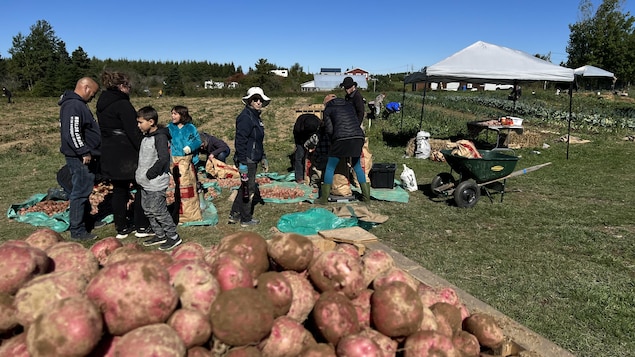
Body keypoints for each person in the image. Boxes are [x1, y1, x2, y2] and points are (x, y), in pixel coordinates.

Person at [97, 71, 152, 239]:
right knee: (141, 187)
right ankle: (141, 225)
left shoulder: (102, 104)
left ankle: (121, 227)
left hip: (109, 150)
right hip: (126, 152)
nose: (130, 89)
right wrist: (145, 148)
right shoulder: (122, 105)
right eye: (128, 86)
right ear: (121, 86)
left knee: (119, 190)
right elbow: (132, 131)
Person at [58, 77, 101, 240]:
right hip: (79, 157)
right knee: (80, 192)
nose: (93, 97)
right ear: (86, 88)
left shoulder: (76, 104)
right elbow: (72, 132)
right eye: (93, 93)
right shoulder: (74, 105)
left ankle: (87, 219)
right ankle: (77, 230)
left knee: (83, 188)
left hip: (80, 154)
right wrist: (84, 151)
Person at [134, 106, 181, 251]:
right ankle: (160, 234)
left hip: (155, 183)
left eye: (141, 122)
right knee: (148, 209)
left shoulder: (160, 137)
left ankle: (173, 237)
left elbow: (163, 159)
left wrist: (150, 174)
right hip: (145, 182)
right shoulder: (146, 137)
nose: (138, 125)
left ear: (151, 121)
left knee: (158, 210)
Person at [317, 94, 370, 204]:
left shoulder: (328, 109)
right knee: (357, 166)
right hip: (358, 137)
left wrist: (333, 142)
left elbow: (329, 130)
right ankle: (366, 198)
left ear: (326, 103)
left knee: (330, 167)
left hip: (341, 139)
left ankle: (324, 199)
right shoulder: (349, 106)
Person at [229, 87, 270, 227]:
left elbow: (257, 140)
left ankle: (234, 214)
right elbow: (240, 141)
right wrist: (242, 162)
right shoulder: (245, 117)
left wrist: (263, 156)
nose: (258, 102)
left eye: (260, 100)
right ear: (249, 101)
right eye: (255, 99)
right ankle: (245, 219)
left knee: (244, 186)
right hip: (247, 158)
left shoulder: (256, 117)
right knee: (249, 189)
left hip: (254, 157)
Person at [292, 113, 321, 184]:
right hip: (300, 137)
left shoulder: (317, 122)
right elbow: (297, 138)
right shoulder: (299, 127)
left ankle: (315, 175)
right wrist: (304, 145)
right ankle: (299, 177)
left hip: (314, 135)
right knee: (300, 155)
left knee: (316, 155)